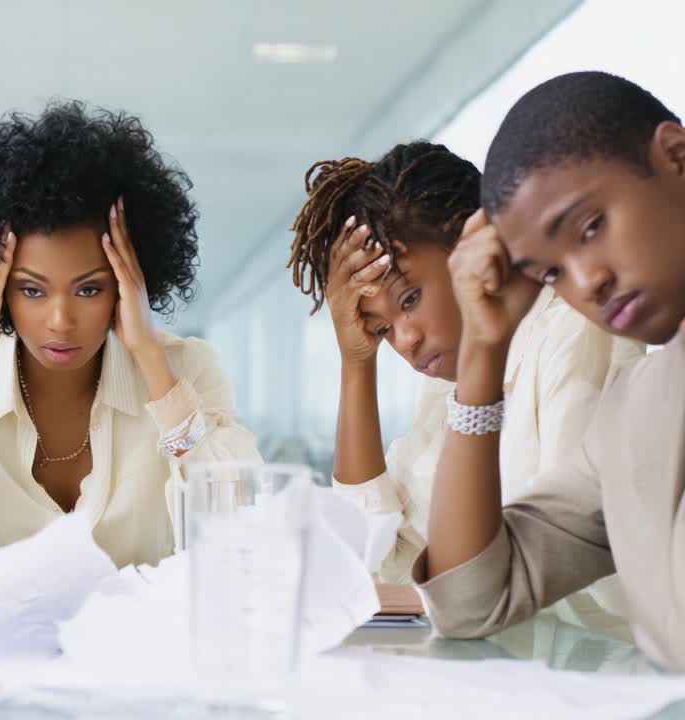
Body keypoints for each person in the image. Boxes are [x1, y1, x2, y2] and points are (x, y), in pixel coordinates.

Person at [0, 102, 260, 576]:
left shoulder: (185, 371)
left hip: (138, 650)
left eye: (89, 288)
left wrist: (151, 361)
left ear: (129, 285)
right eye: (31, 289)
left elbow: (246, 541)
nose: (61, 321)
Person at [286, 141, 642, 637]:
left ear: (473, 249)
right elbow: (373, 553)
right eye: (381, 328)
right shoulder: (444, 396)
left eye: (409, 298)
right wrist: (356, 362)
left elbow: (547, 563)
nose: (405, 339)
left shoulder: (572, 335)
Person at [417, 71, 685, 671]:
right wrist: (484, 350)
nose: (587, 282)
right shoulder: (628, 416)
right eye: (549, 274)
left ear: (676, 157)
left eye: (591, 227)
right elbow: (468, 602)